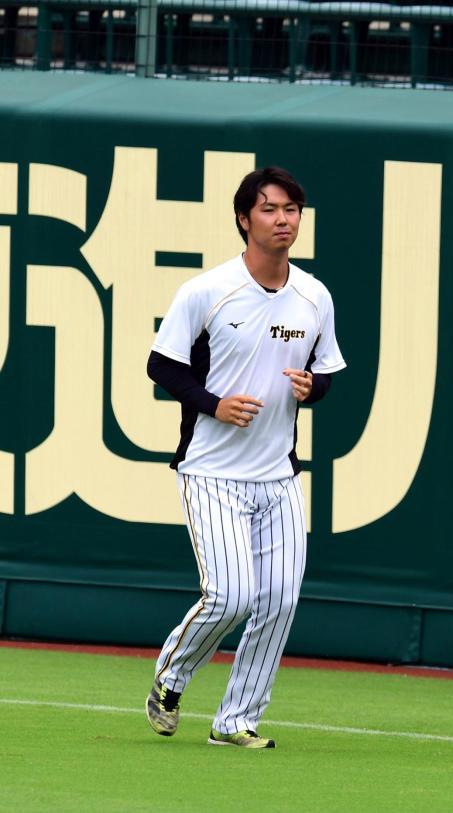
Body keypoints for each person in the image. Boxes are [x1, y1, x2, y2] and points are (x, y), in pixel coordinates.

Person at [143, 167, 346, 748]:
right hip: (210, 468)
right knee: (231, 594)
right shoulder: (207, 290)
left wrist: (314, 387)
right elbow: (163, 365)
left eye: (292, 210)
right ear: (243, 219)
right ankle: (171, 678)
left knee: (279, 600)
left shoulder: (314, 295)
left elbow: (327, 371)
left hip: (278, 474)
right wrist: (213, 404)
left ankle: (236, 722)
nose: (283, 220)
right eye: (270, 209)